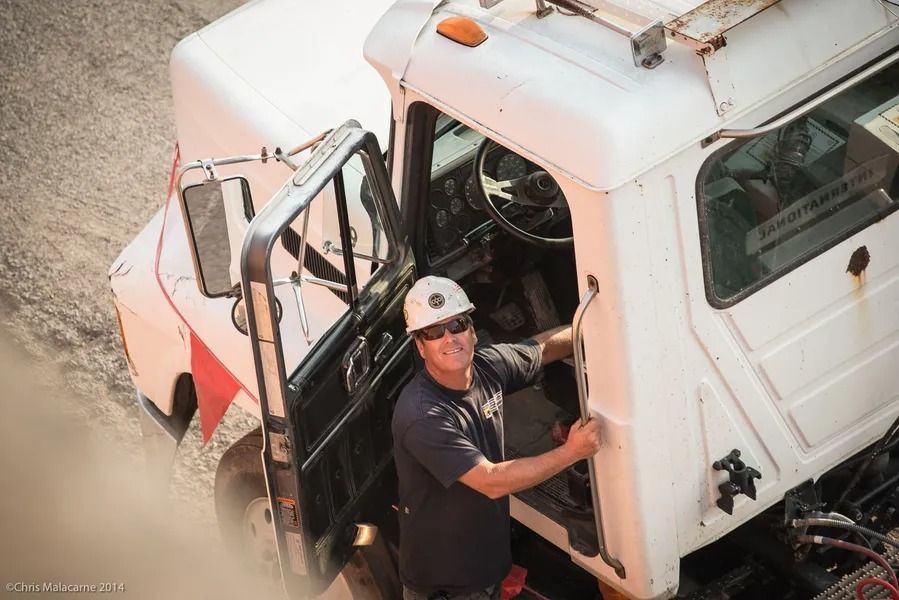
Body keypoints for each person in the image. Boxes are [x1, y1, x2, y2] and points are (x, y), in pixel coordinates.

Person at [392, 275, 602, 600]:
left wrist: (596, 329)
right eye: (434, 332)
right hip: (447, 589)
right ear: (421, 346)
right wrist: (572, 451)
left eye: (457, 325)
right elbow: (491, 481)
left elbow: (543, 348)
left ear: (472, 331)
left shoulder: (487, 367)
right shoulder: (422, 415)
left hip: (487, 568)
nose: (449, 338)